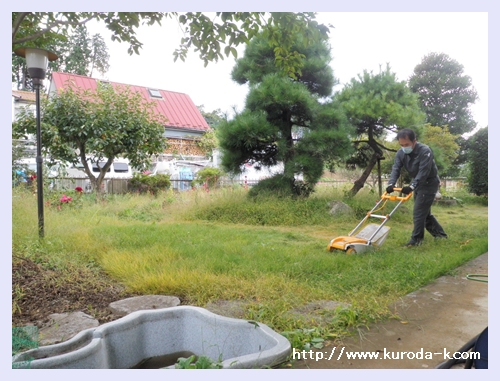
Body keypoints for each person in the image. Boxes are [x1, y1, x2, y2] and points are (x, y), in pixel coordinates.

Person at [386, 128, 448, 247]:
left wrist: (412, 186)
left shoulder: (425, 151)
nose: (404, 147)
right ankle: (441, 236)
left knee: (419, 212)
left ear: (414, 141)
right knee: (425, 214)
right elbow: (396, 168)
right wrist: (391, 184)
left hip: (429, 183)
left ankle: (416, 241)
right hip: (418, 183)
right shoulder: (401, 153)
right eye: (401, 145)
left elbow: (423, 172)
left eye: (407, 144)